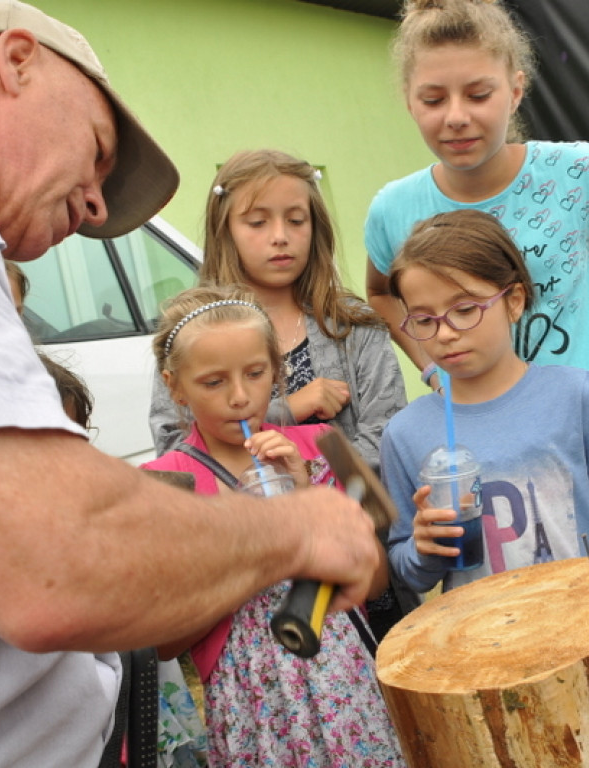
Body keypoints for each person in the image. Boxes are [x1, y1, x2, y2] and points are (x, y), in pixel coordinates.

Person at [0, 2, 380, 766]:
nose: (93, 208)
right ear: (16, 60)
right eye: (94, 152)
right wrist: (302, 527)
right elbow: (47, 561)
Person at [149, 149, 417, 638]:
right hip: (248, 587)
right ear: (224, 229)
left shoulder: (354, 325)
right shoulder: (191, 337)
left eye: (296, 220)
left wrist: (310, 480)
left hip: (358, 565)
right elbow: (175, 443)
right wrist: (287, 409)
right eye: (257, 222)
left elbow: (387, 436)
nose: (280, 236)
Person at [143, 285, 406, 768]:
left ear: (277, 370)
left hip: (350, 691)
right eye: (213, 382)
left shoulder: (330, 444)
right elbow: (161, 643)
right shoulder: (163, 487)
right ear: (175, 386)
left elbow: (376, 583)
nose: (240, 397)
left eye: (256, 373)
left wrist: (308, 498)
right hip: (255, 710)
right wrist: (252, 558)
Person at [364, 0, 589, 390]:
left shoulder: (575, 173)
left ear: (516, 91)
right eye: (434, 99)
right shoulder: (393, 209)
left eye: (478, 95)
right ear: (410, 102)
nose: (456, 116)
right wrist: (432, 369)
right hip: (475, 429)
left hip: (578, 414)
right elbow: (379, 292)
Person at [381, 209, 589, 595]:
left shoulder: (579, 397)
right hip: (485, 645)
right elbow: (408, 572)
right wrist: (425, 548)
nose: (445, 333)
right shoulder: (404, 435)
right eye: (423, 320)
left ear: (514, 301)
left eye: (465, 310)